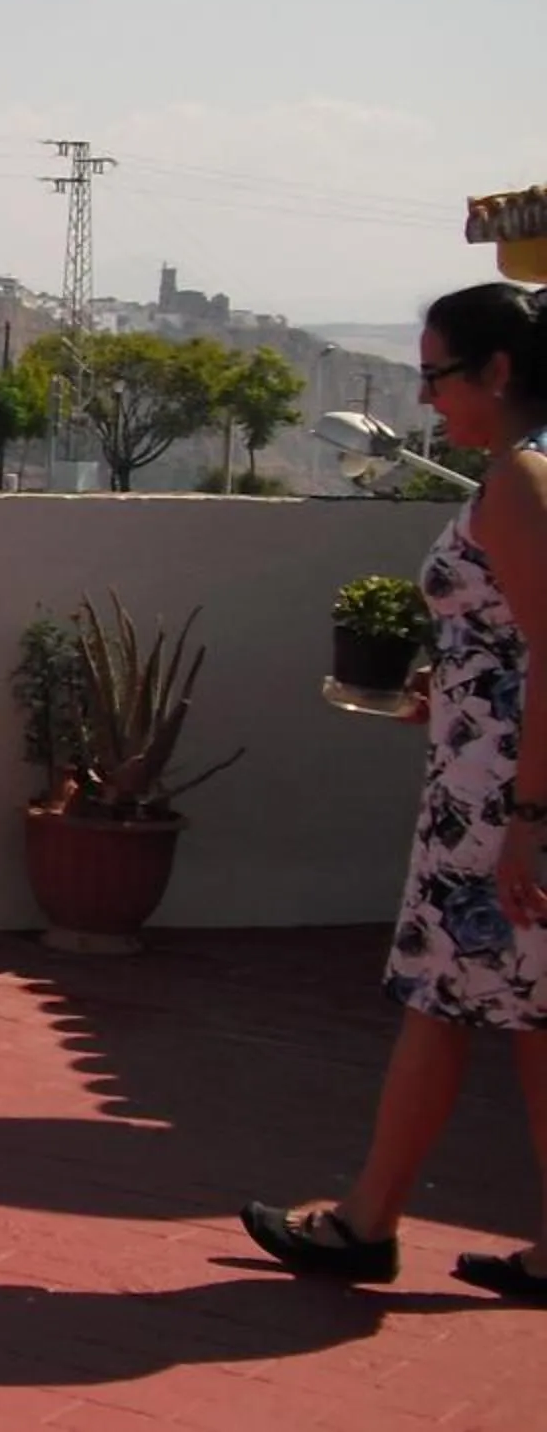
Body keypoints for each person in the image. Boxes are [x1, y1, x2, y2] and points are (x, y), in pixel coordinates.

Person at [244, 281, 547, 1299]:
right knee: (528, 1013)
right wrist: (454, 685)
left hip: (497, 804)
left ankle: (368, 1220)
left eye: (439, 375)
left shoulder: (519, 480)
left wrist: (524, 823)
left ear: (498, 371)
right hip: (498, 782)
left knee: (441, 1002)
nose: (429, 401)